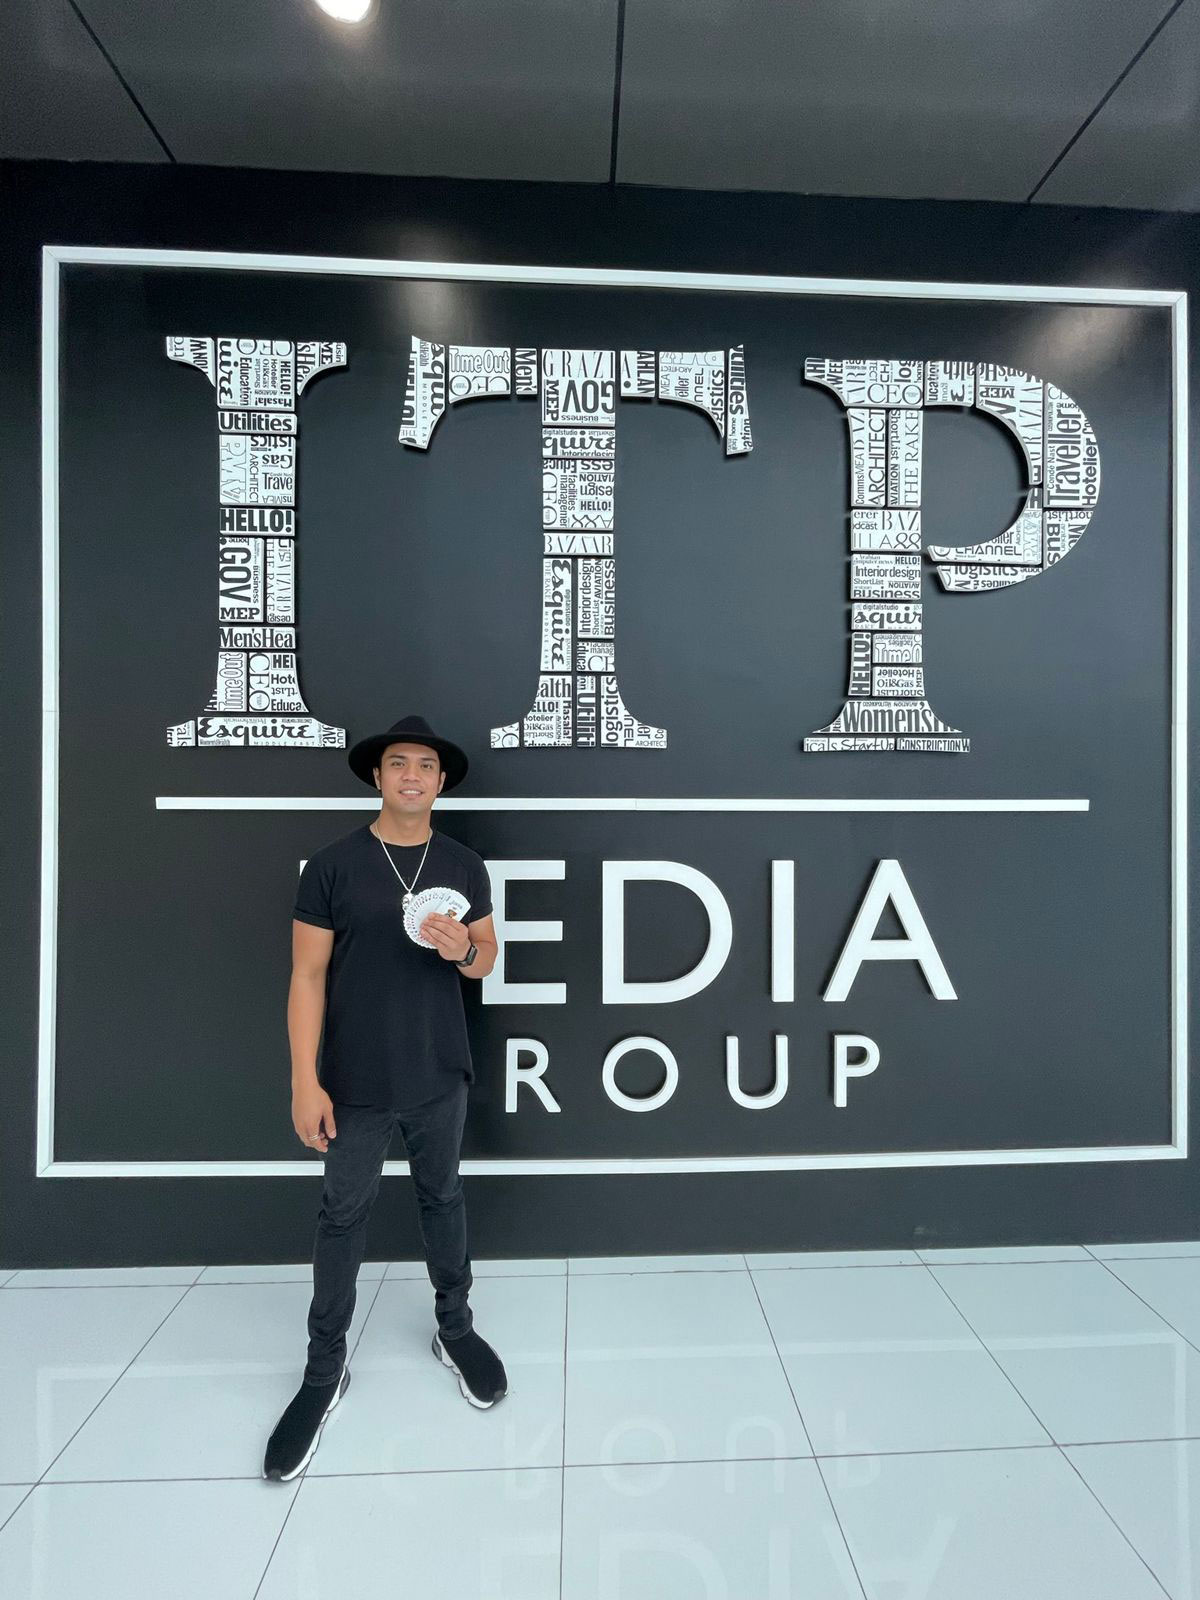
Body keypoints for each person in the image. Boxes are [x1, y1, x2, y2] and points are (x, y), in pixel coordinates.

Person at [263, 714, 504, 1482]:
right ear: (377, 775)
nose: (411, 776)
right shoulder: (333, 867)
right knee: (342, 1218)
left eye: (425, 766)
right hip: (354, 1082)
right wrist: (304, 1080)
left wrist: (464, 949)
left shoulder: (464, 865)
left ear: (440, 781)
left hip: (439, 1071)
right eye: (398, 763)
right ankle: (323, 1371)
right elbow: (306, 977)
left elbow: (487, 958)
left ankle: (454, 1329)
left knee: (444, 1198)